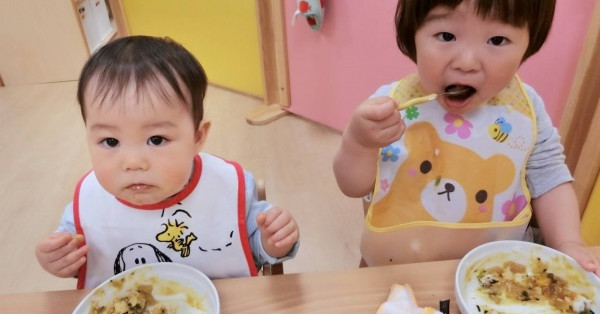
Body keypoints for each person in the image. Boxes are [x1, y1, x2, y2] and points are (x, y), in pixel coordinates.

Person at [333, 0, 600, 275]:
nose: (467, 63)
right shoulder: (391, 107)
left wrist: (568, 242)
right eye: (446, 36)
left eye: (497, 40)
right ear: (412, 33)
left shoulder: (525, 110)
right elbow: (352, 186)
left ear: (529, 44)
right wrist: (359, 144)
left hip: (498, 274)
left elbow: (550, 179)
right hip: (398, 271)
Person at [35, 36, 300, 289]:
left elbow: (253, 249)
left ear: (197, 136)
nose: (133, 162)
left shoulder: (225, 187)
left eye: (157, 139)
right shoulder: (89, 204)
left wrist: (273, 242)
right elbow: (81, 261)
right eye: (111, 141)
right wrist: (60, 261)